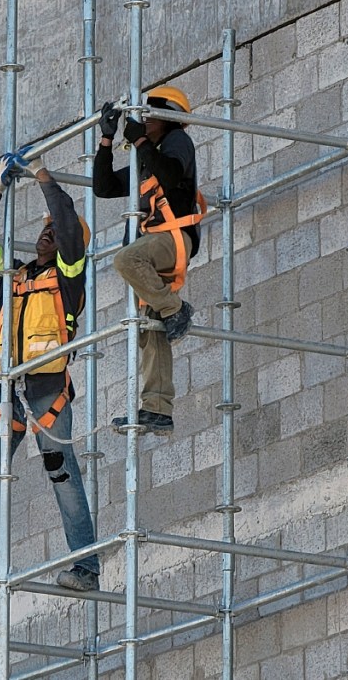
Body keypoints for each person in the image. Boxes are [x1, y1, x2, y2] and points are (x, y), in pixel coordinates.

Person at [0, 149, 100, 594]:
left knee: (62, 472)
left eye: (54, 233)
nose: (47, 235)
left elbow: (66, 215)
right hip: (5, 393)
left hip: (46, 392)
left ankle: (86, 567)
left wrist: (41, 174)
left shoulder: (70, 275)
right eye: (44, 231)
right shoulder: (12, 279)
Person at [93, 86, 205, 436]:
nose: (143, 119)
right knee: (150, 330)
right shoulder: (149, 156)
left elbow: (171, 176)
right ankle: (158, 409)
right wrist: (106, 142)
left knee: (125, 260)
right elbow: (105, 187)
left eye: (149, 113)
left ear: (166, 115)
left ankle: (176, 309)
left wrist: (140, 143)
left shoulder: (177, 143)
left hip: (173, 238)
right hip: (156, 244)